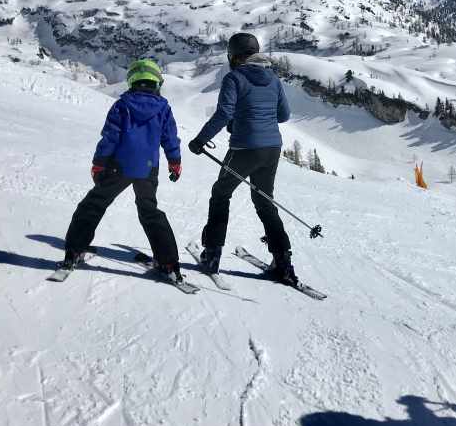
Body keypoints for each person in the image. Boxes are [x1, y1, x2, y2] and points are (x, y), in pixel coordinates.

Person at [187, 32, 297, 284]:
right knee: (264, 200)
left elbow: (224, 112)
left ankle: (212, 254)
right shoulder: (273, 79)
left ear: (233, 56)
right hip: (272, 149)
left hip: (245, 148)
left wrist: (200, 140)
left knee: (221, 194)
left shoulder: (234, 78)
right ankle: (283, 261)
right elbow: (284, 116)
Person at [61, 59, 183, 281]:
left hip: (119, 166)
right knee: (149, 211)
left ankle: (74, 251)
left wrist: (99, 163)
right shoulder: (163, 108)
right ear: (157, 82)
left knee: (94, 204)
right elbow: (170, 138)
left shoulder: (122, 105)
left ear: (132, 81)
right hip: (148, 169)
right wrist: (174, 161)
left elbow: (110, 138)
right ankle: (168, 262)